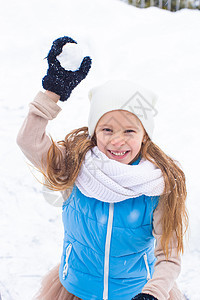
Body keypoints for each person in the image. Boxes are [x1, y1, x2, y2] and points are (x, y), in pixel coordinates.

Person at [16, 36, 188, 300]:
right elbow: (29, 140)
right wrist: (52, 93)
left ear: (144, 135)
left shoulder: (158, 187)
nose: (117, 140)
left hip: (136, 294)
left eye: (129, 131)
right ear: (94, 132)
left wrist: (152, 293)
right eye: (106, 130)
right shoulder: (74, 166)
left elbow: (169, 255)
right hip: (75, 290)